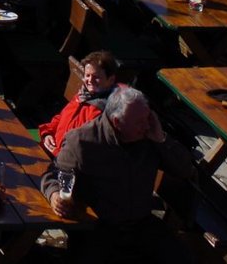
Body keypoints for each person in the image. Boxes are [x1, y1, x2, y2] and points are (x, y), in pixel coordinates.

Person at [42, 87, 196, 264]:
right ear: (117, 122)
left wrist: (162, 140)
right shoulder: (83, 141)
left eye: (147, 118)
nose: (146, 125)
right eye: (139, 122)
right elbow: (54, 173)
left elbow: (185, 170)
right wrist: (54, 194)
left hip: (141, 222)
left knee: (183, 257)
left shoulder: (150, 136)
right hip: (100, 225)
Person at [39, 50, 119, 156]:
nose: (90, 80)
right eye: (87, 75)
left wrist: (58, 153)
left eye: (97, 77)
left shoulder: (103, 111)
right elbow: (61, 118)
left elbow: (88, 149)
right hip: (53, 150)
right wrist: (48, 134)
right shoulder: (81, 96)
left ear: (111, 80)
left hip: (66, 163)